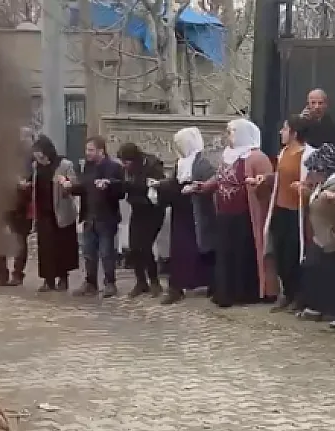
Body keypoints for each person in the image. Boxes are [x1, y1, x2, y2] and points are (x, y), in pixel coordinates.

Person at [194, 118, 275, 307]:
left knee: (244, 253)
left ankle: (248, 292)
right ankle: (226, 291)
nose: (228, 136)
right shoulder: (227, 155)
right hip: (224, 212)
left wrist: (257, 184)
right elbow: (221, 177)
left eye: (231, 132)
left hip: (246, 214)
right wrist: (204, 186)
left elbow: (268, 185)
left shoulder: (256, 157)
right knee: (226, 253)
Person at [298, 143, 335, 329]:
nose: (311, 175)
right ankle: (330, 309)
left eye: (313, 171)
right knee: (329, 273)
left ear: (323, 169)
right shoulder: (326, 183)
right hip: (327, 237)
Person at [154, 127, 216, 304]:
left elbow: (211, 183)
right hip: (180, 211)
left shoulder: (202, 163)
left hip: (196, 212)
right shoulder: (180, 163)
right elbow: (175, 182)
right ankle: (176, 286)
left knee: (201, 248)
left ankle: (210, 282)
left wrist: (197, 187)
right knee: (180, 249)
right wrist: (161, 185)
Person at [263, 116, 316, 311]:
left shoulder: (309, 155)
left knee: (295, 254)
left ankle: (299, 296)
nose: (281, 132)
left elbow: (315, 180)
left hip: (297, 213)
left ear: (294, 133)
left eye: (284, 129)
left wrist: (304, 187)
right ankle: (286, 292)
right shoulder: (283, 152)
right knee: (280, 253)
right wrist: (266, 179)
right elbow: (280, 177)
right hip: (280, 209)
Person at [63, 136, 124, 297]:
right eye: (87, 149)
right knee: (89, 253)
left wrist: (108, 185)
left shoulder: (114, 167)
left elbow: (122, 191)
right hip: (88, 216)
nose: (87, 153)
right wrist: (70, 187)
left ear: (101, 151)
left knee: (106, 253)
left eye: (91, 150)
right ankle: (90, 283)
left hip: (106, 217)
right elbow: (84, 188)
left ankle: (110, 283)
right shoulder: (88, 167)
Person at [23, 135, 79, 292]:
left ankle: (63, 278)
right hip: (43, 211)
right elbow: (33, 184)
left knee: (62, 247)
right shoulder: (36, 167)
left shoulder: (64, 165)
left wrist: (66, 184)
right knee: (46, 248)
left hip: (61, 212)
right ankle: (48, 280)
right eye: (35, 152)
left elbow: (74, 185)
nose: (37, 155)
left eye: (39, 152)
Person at [117, 142, 167, 297]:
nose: (124, 165)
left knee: (145, 246)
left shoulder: (152, 165)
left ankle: (154, 282)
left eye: (127, 162)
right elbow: (125, 188)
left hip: (153, 211)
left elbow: (157, 186)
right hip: (137, 209)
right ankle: (140, 282)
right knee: (134, 247)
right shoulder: (127, 171)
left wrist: (133, 185)